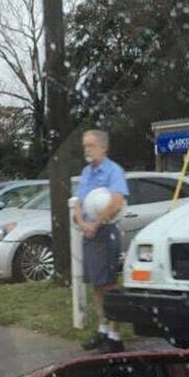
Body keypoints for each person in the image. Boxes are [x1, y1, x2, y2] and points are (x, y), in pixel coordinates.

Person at [73, 129, 128, 353]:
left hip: (105, 233)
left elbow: (116, 202)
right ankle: (102, 329)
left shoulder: (114, 171)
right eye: (85, 146)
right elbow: (78, 202)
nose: (87, 150)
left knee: (108, 286)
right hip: (89, 234)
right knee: (96, 285)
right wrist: (82, 223)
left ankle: (115, 337)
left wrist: (95, 224)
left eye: (91, 145)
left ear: (103, 148)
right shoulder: (86, 172)